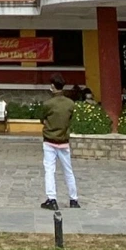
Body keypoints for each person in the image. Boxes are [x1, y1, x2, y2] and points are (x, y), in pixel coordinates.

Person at [39, 73, 80, 211]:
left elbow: (42, 119)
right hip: (64, 141)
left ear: (52, 86)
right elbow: (70, 120)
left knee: (50, 170)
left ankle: (52, 199)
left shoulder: (48, 104)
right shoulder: (70, 104)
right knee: (68, 171)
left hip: (49, 140)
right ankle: (73, 199)